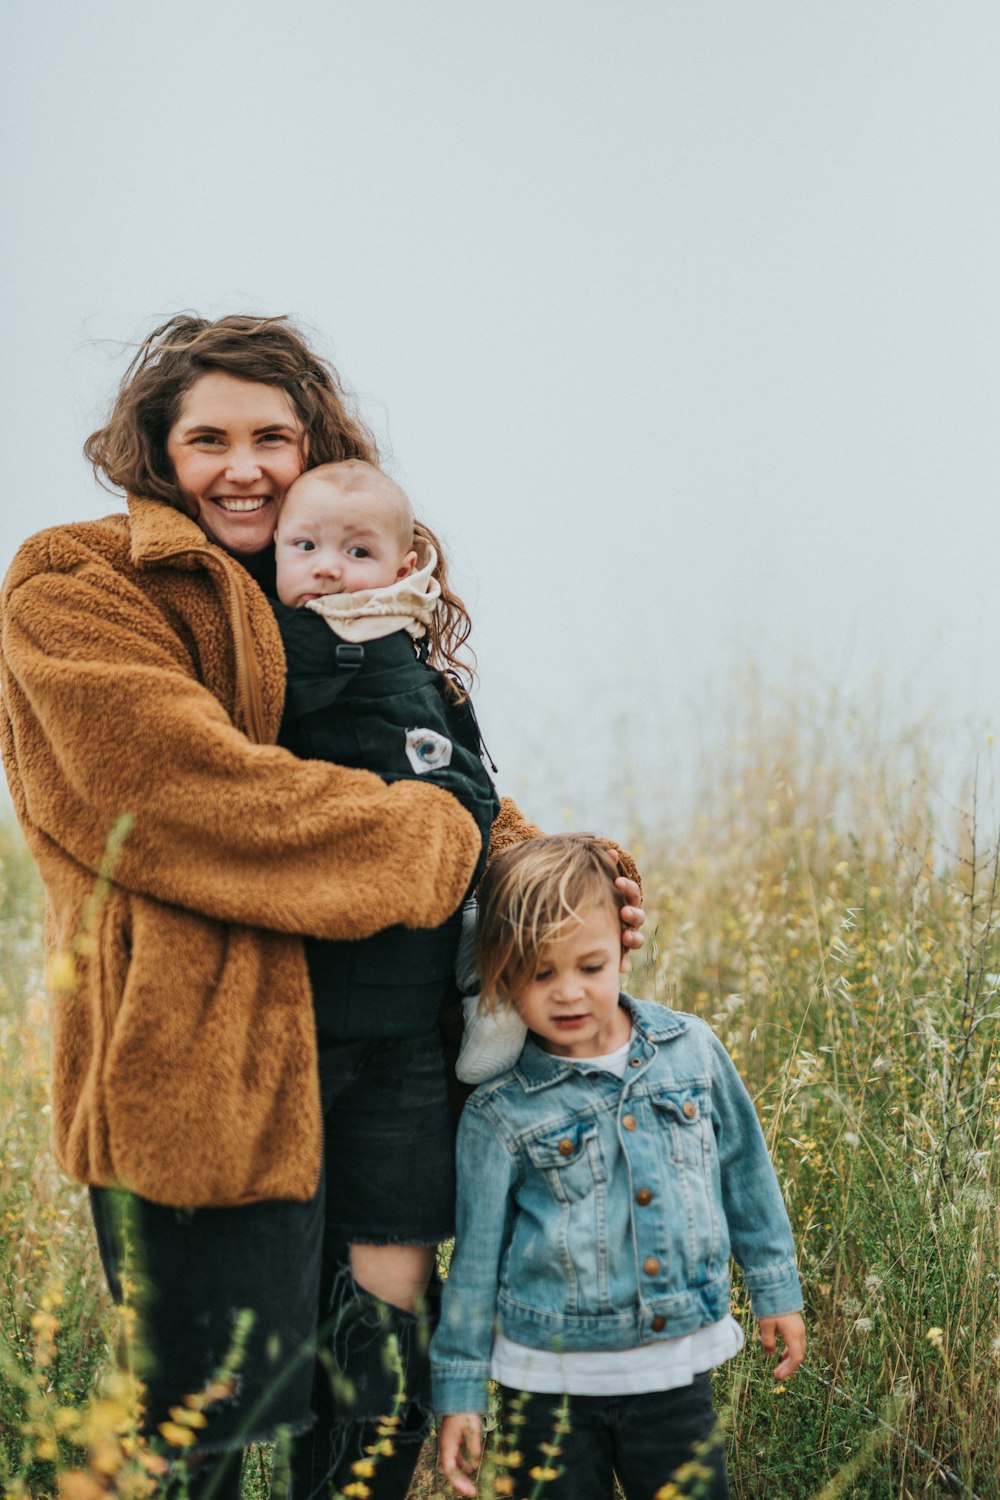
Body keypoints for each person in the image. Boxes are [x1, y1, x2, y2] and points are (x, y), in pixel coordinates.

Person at [0, 314, 645, 1500]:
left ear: (314, 446)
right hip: (199, 1050)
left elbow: (451, 779)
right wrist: (435, 841)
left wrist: (553, 892)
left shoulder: (360, 583)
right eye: (207, 438)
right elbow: (168, 790)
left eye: (272, 436)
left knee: (373, 1386)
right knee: (203, 1404)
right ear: (156, 450)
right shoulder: (78, 578)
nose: (242, 467)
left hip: (393, 1040)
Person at [432, 834, 806, 1500]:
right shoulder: (499, 1113)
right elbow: (474, 1262)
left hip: (673, 1374)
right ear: (500, 978)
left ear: (624, 950)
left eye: (590, 966)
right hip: (544, 1384)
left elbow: (745, 1170)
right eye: (539, 974)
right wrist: (461, 1391)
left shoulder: (691, 1051)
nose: (568, 993)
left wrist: (776, 1289)